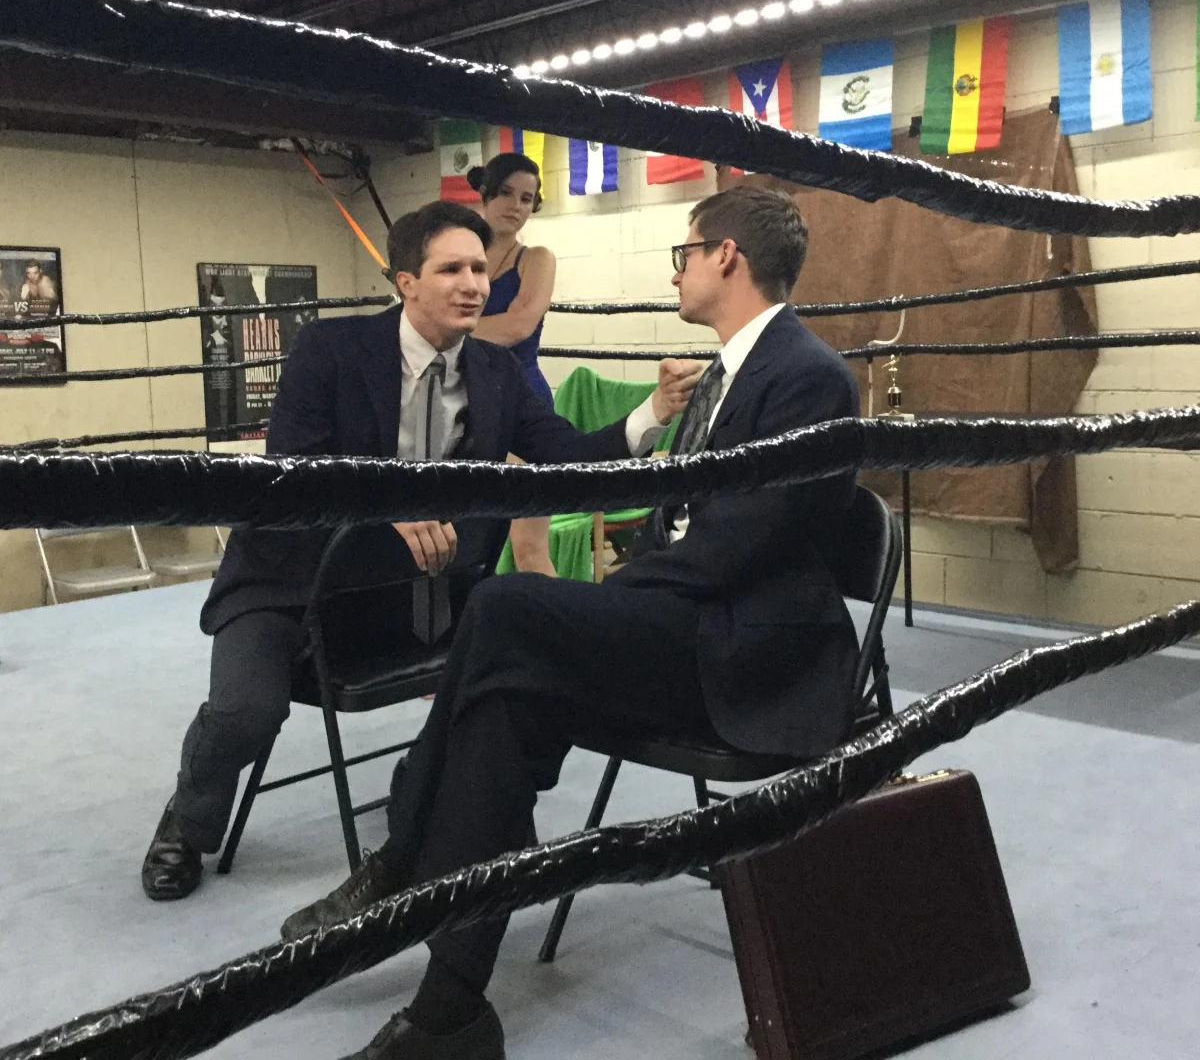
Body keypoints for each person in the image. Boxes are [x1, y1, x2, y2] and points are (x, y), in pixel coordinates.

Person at [281, 186, 863, 1060]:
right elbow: (677, 526)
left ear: (726, 257)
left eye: (684, 253)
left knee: (506, 605)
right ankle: (450, 1014)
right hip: (689, 621)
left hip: (746, 652)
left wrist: (608, 594)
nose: (676, 272)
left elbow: (733, 549)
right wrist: (618, 584)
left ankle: (407, 850)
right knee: (504, 706)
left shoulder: (807, 377)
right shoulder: (728, 373)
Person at [140, 200, 702, 903]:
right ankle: (187, 823)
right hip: (289, 579)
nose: (473, 285)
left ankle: (421, 793)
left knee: (509, 668)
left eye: (479, 270)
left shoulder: (496, 371)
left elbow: (564, 456)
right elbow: (293, 470)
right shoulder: (329, 349)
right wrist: (386, 507)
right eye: (451, 269)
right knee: (246, 713)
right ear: (406, 281)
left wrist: (653, 411)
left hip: (413, 591)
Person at [468, 153, 558, 577]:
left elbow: (519, 325)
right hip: (465, 399)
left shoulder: (537, 258)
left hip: (520, 397)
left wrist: (446, 327)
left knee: (529, 547)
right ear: (485, 194)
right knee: (462, 539)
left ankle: (551, 621)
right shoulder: (463, 254)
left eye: (526, 198)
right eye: (506, 193)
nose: (516, 206)